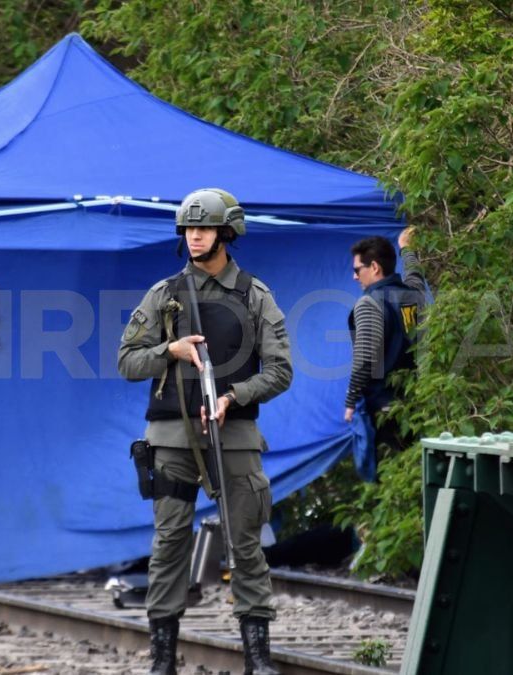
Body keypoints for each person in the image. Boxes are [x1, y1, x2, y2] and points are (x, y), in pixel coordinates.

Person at [118, 188, 292, 675]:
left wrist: (233, 397)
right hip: (171, 439)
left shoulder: (256, 295)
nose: (195, 235)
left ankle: (257, 659)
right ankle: (162, 659)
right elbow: (126, 361)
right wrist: (168, 352)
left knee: (245, 544)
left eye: (205, 228)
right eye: (189, 229)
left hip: (233, 436)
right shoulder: (164, 295)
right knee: (169, 543)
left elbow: (280, 370)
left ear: (227, 233)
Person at [344, 228, 428, 479]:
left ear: (375, 268)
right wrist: (407, 248)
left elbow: (365, 356)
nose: (354, 276)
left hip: (385, 409)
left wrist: (350, 402)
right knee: (418, 473)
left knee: (393, 480)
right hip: (417, 401)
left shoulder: (369, 303)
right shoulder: (413, 294)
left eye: (358, 270)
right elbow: (415, 276)